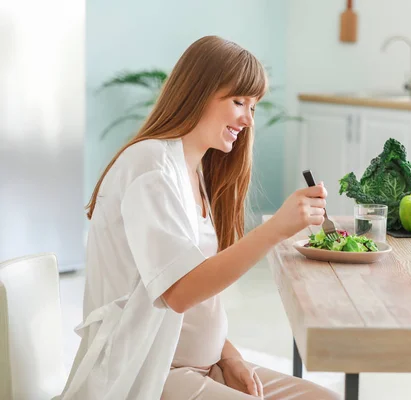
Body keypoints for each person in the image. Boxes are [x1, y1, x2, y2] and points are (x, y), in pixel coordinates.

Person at [59, 36, 340, 400]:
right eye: (239, 101)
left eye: (253, 106)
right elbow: (179, 291)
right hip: (150, 372)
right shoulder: (151, 168)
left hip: (205, 366)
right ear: (197, 93)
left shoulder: (194, 170)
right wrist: (275, 229)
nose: (248, 119)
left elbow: (196, 303)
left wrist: (229, 355)